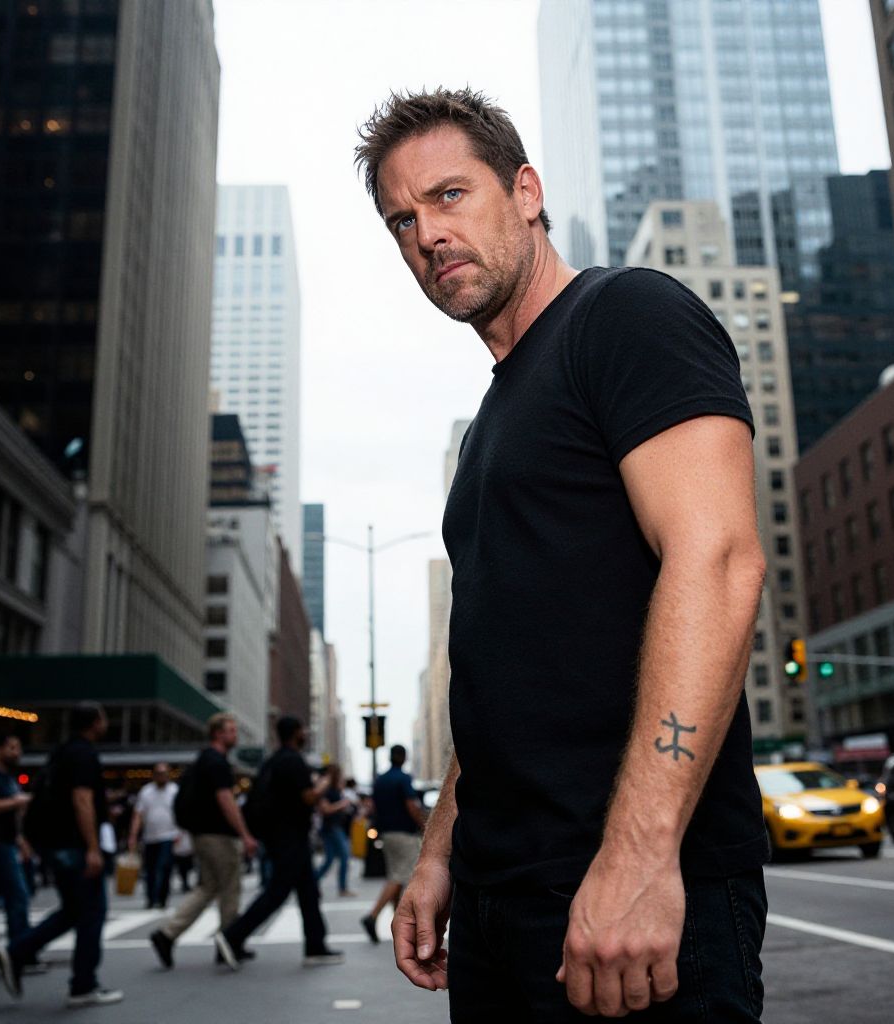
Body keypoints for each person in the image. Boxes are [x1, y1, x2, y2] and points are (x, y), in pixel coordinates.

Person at [354, 88, 769, 1021]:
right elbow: (502, 667)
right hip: (501, 913)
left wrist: (639, 856)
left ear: (527, 190)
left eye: (451, 195)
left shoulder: (626, 316)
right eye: (402, 220)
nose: (428, 234)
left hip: (627, 906)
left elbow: (718, 559)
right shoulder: (492, 424)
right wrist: (439, 856)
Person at [0, 703, 124, 1007]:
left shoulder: (63, 752)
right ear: (95, 722)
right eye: (104, 718)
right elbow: (82, 800)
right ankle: (82, 985)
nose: (106, 723)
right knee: (92, 911)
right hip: (74, 846)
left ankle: (17, 952)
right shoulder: (83, 754)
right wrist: (93, 847)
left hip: (56, 845)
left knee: (73, 911)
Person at [214, 715, 345, 970]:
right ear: (296, 732)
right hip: (289, 837)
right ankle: (231, 937)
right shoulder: (292, 761)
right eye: (303, 729)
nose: (306, 733)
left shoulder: (273, 761)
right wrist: (326, 782)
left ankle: (316, 946)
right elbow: (308, 798)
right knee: (277, 893)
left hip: (283, 836)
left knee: (308, 892)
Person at [148, 714, 257, 969]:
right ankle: (230, 942)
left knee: (208, 888)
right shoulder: (216, 762)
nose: (235, 735)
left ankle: (167, 935)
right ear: (218, 733)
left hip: (201, 835)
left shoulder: (202, 760)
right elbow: (226, 800)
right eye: (231, 730)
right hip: (218, 836)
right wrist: (245, 834)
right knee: (230, 888)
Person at [359, 745, 425, 944]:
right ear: (403, 758)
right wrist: (425, 826)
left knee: (396, 875)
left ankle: (397, 924)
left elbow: (373, 806)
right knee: (400, 876)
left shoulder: (380, 780)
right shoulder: (403, 778)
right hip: (404, 834)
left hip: (386, 834)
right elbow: (411, 805)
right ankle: (372, 916)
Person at [0, 733, 45, 974]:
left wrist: (20, 841)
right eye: (12, 747)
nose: (17, 752)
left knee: (17, 896)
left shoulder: (8, 777)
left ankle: (20, 952)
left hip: (7, 842)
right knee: (18, 897)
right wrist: (16, 801)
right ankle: (20, 953)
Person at [128, 762, 179, 909]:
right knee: (150, 870)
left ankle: (162, 899)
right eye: (158, 773)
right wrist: (133, 835)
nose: (161, 776)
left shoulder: (174, 790)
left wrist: (181, 833)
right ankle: (151, 898)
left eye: (164, 773)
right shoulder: (146, 791)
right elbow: (138, 814)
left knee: (164, 867)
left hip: (169, 835)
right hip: (150, 837)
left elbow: (180, 813)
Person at [313, 764, 356, 896]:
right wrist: (341, 805)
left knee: (329, 860)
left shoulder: (336, 788)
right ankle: (342, 888)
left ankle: (311, 883)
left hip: (335, 826)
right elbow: (325, 809)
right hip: (331, 828)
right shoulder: (325, 789)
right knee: (343, 856)